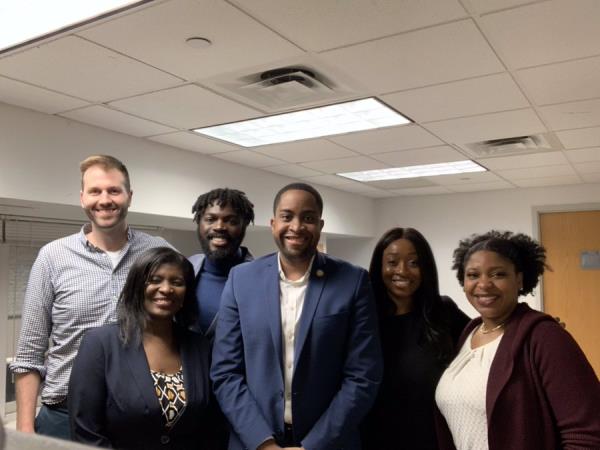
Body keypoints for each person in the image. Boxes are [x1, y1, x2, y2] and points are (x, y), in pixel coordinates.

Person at [10, 155, 172, 439]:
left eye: (114, 190)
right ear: (82, 198)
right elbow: (29, 354)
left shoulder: (157, 252)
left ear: (129, 197)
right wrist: (25, 431)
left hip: (138, 413)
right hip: (63, 416)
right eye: (95, 191)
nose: (105, 199)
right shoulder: (53, 257)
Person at [211, 182, 383, 450]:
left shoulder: (353, 281)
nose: (297, 226)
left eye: (308, 218)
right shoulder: (241, 280)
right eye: (287, 216)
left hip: (328, 442)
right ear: (272, 223)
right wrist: (264, 443)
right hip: (253, 442)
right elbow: (225, 373)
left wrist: (312, 446)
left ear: (321, 225)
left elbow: (363, 376)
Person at [435, 230, 600, 450]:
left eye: (498, 274)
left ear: (519, 279)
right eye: (473, 275)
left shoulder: (544, 337)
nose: (484, 284)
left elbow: (587, 435)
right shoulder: (469, 333)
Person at [69, 247, 218, 449]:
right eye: (155, 280)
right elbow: (86, 431)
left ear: (186, 294)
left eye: (177, 282)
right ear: (137, 286)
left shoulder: (200, 347)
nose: (166, 289)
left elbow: (209, 427)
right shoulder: (100, 344)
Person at [362, 228, 469, 450]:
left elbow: (487, 340)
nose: (402, 271)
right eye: (392, 262)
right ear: (379, 266)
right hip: (373, 441)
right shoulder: (362, 319)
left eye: (414, 263)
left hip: (434, 439)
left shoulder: (443, 312)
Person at [189, 188, 254, 340]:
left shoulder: (263, 279)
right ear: (199, 223)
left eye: (231, 221)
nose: (219, 227)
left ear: (244, 226)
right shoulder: (186, 268)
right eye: (210, 219)